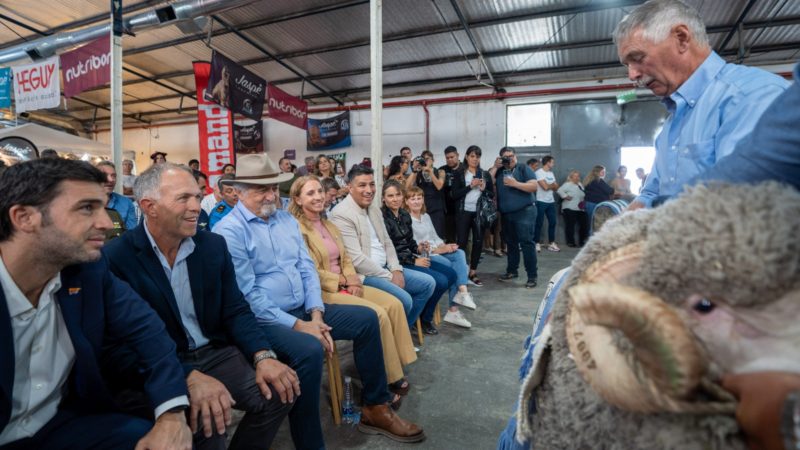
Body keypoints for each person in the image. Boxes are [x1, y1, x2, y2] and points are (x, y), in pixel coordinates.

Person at [214, 155, 425, 445]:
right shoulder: (228, 231)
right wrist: (299, 325)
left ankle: (375, 407)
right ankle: (310, 441)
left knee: (366, 319)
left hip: (304, 307)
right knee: (310, 348)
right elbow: (247, 296)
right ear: (237, 191)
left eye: (274, 188)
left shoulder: (285, 220)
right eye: (260, 189)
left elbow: (307, 269)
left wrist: (315, 313)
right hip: (267, 318)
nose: (271, 195)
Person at [0, 158, 192, 449]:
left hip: (59, 424)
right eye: (87, 208)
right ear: (24, 217)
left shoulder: (89, 272)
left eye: (103, 206)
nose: (106, 222)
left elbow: (147, 331)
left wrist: (172, 412)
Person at [103, 163, 295, 450]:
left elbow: (235, 309)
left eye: (197, 196)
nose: (197, 207)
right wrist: (188, 376)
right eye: (184, 198)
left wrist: (263, 355)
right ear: (149, 206)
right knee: (208, 422)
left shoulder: (211, 246)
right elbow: (118, 344)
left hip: (214, 352)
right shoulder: (116, 258)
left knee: (282, 390)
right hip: (160, 363)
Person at [614, 0, 789, 210]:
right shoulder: (670, 127)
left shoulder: (750, 97)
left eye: (638, 58)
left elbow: (745, 208)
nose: (632, 75)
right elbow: (652, 194)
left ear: (681, 38)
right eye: (627, 65)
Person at [289, 175, 417, 403]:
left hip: (348, 281)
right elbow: (307, 270)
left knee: (395, 304)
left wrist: (352, 278)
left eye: (319, 191)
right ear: (297, 199)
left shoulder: (327, 223)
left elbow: (346, 256)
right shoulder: (295, 229)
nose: (318, 196)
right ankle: (383, 378)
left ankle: (394, 368)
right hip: (325, 289)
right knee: (377, 315)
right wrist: (342, 281)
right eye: (310, 193)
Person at [329, 165, 437, 329]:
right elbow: (357, 259)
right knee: (405, 300)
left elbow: (387, 242)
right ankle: (395, 336)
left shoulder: (373, 208)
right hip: (366, 274)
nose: (369, 190)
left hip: (386, 267)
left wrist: (396, 269)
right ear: (350, 187)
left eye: (372, 184)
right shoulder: (341, 214)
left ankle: (402, 332)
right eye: (362, 185)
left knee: (428, 284)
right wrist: (389, 276)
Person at [382, 180, 458, 334]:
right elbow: (390, 249)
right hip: (398, 262)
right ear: (383, 198)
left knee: (451, 274)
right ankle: (422, 320)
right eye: (390, 196)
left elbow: (409, 242)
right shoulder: (383, 218)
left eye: (398, 195)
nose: (395, 199)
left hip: (410, 256)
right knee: (440, 281)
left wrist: (418, 247)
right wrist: (414, 260)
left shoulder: (403, 214)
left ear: (402, 196)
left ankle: (424, 314)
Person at [406, 185, 476, 328]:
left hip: (436, 250)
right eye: (412, 199)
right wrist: (440, 250)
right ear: (406, 201)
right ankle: (453, 309)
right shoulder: (407, 219)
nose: (416, 201)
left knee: (460, 253)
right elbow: (417, 246)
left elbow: (435, 237)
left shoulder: (426, 216)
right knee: (454, 267)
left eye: (419, 198)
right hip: (423, 255)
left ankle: (462, 292)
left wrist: (446, 246)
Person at [494, 147, 539, 288]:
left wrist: (515, 184)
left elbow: (534, 186)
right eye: (506, 157)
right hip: (507, 214)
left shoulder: (523, 168)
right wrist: (495, 167)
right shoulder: (500, 171)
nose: (510, 158)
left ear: (516, 156)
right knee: (511, 244)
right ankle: (512, 271)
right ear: (501, 158)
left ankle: (532, 276)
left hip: (525, 212)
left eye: (512, 156)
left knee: (526, 244)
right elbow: (488, 180)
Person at [450, 145, 494, 286]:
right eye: (472, 156)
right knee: (461, 242)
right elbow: (454, 195)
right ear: (467, 157)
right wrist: (470, 186)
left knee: (478, 242)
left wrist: (484, 189)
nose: (475, 159)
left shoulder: (484, 174)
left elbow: (491, 195)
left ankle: (473, 272)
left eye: (478, 156)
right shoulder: (459, 173)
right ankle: (461, 271)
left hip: (479, 213)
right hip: (463, 212)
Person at [405, 150, 446, 237]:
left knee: (437, 235)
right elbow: (406, 187)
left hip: (436, 208)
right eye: (423, 159)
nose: (425, 161)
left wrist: (430, 172)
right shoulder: (418, 173)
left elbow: (439, 186)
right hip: (422, 209)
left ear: (433, 160)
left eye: (427, 159)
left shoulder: (440, 172)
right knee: (424, 235)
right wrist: (414, 170)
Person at [96, 160, 138, 231]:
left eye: (114, 176)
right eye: (104, 175)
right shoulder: (83, 203)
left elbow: (131, 233)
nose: (111, 179)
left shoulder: (126, 203)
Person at [534, 156, 559, 253]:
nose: (553, 164)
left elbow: (556, 187)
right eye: (552, 162)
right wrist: (551, 185)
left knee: (553, 222)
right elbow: (544, 187)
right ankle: (536, 243)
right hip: (540, 201)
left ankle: (551, 243)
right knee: (539, 223)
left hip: (550, 201)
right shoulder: (538, 173)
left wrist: (550, 185)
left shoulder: (551, 173)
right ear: (548, 163)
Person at [557, 170, 589, 247]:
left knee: (584, 225)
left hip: (580, 208)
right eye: (575, 176)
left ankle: (582, 242)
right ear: (571, 177)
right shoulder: (567, 184)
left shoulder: (580, 185)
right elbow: (559, 190)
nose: (577, 177)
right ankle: (570, 242)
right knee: (570, 225)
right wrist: (565, 196)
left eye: (578, 176)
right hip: (569, 207)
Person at [439, 146, 462, 243]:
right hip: (448, 210)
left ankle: (466, 258)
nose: (450, 160)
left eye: (452, 157)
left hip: (463, 208)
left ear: (457, 155)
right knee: (450, 237)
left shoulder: (465, 168)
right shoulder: (442, 170)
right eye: (447, 158)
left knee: (465, 238)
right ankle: (452, 257)